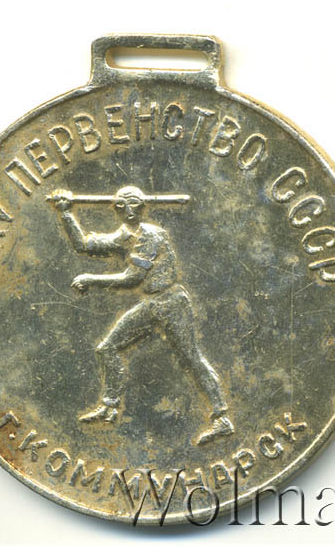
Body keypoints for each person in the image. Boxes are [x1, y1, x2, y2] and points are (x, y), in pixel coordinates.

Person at [48, 185, 233, 444]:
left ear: (143, 205)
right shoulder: (126, 235)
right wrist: (66, 213)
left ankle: (222, 419)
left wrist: (90, 279)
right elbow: (85, 245)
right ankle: (110, 408)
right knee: (107, 348)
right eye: (123, 205)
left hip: (171, 302)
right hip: (153, 303)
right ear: (117, 208)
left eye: (135, 203)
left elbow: (132, 278)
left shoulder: (151, 235)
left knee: (191, 358)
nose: (130, 210)